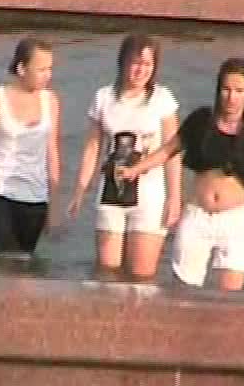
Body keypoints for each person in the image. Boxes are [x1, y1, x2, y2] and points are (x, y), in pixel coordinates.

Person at [119, 58, 244, 291]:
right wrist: (135, 169)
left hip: (235, 221)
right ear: (218, 90)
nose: (231, 97)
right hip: (197, 216)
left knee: (229, 299)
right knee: (184, 293)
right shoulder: (202, 120)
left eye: (238, 91)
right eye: (226, 89)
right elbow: (167, 150)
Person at [67, 34, 181, 281]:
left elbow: (172, 152)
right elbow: (92, 148)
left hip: (149, 194)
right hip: (111, 192)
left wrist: (174, 197)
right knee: (107, 272)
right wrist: (80, 190)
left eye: (148, 64)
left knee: (141, 275)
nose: (141, 70)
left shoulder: (162, 99)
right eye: (136, 63)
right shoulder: (104, 97)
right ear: (123, 62)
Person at [0, 37, 61, 258]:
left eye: (50, 69)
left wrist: (53, 207)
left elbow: (52, 153)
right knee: (7, 257)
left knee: (24, 261)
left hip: (35, 195)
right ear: (22, 69)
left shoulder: (51, 101)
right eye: (42, 69)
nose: (48, 75)